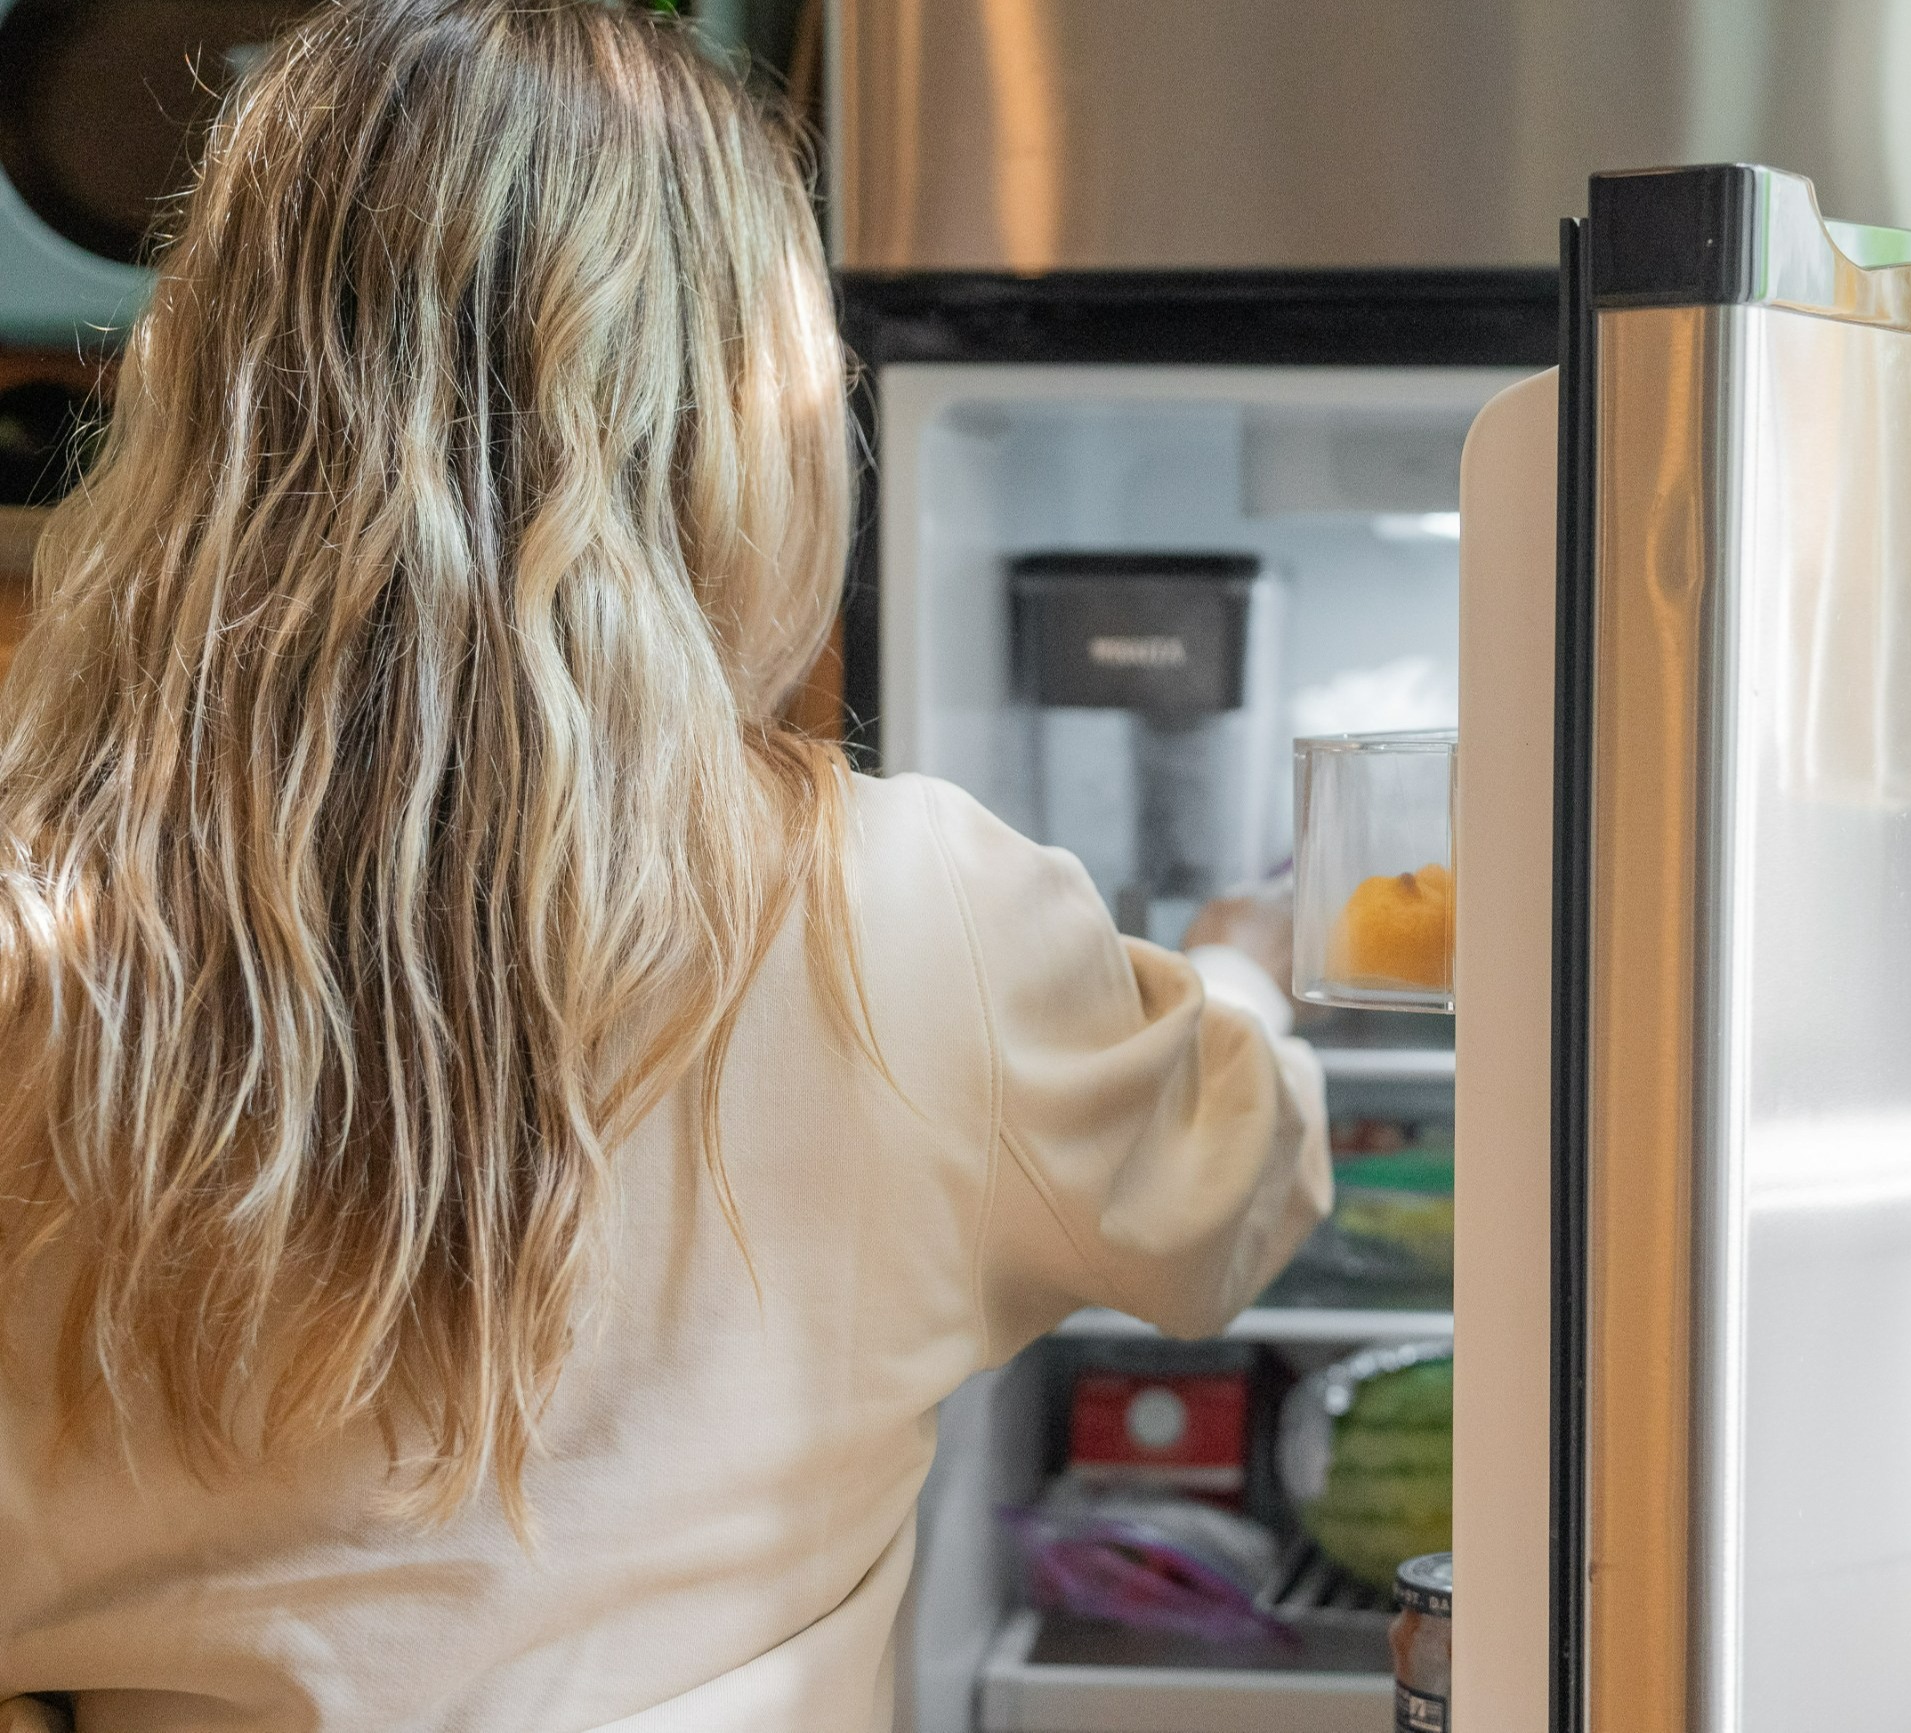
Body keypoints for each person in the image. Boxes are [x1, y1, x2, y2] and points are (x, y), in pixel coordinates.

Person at [0, 3, 1328, 1728]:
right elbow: (1226, 1205)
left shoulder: (40, 941)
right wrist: (1237, 964)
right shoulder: (911, 921)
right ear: (734, 433)